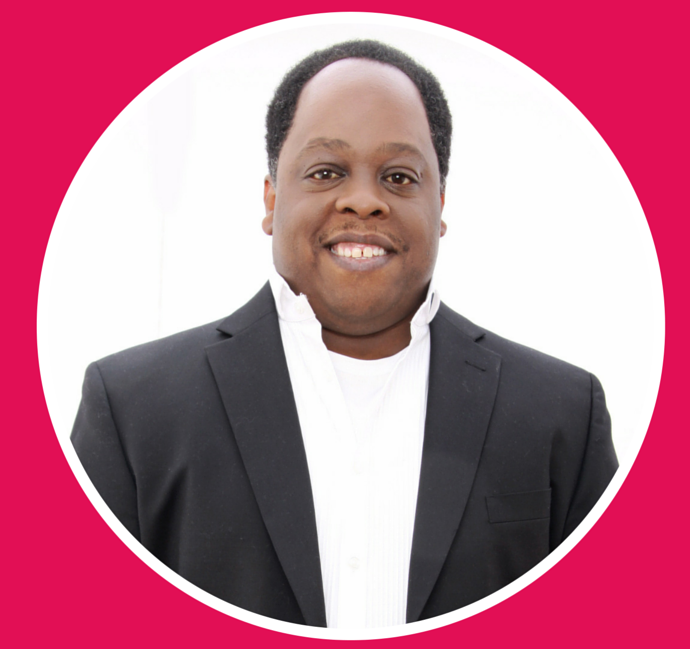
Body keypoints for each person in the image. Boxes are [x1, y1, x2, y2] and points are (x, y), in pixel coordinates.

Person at [71, 40, 618, 629]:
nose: (363, 200)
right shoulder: (133, 410)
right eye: (326, 172)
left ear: (439, 205)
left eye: (399, 176)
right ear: (271, 198)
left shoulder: (561, 414)